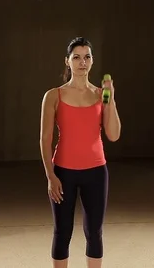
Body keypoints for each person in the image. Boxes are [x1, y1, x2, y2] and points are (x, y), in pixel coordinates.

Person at [39, 37, 121, 268]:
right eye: (76, 57)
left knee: (94, 232)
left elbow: (113, 134)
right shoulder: (53, 95)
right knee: (62, 232)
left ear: (92, 62)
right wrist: (50, 175)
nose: (82, 62)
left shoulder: (100, 95)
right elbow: (45, 138)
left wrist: (110, 100)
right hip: (63, 172)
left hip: (96, 172)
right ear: (67, 61)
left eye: (87, 57)